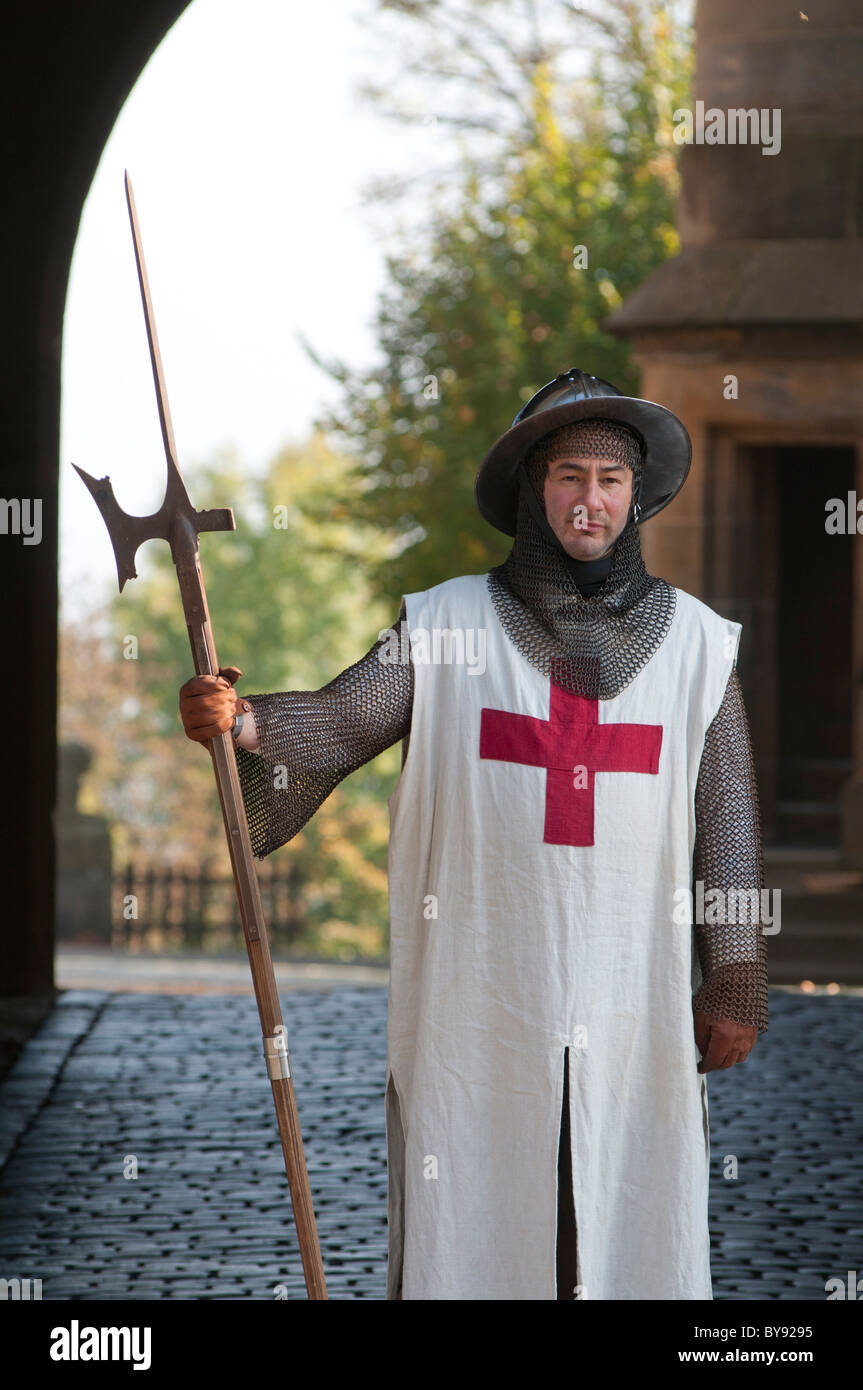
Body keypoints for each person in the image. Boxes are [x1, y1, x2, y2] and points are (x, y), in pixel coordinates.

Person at [179, 368, 768, 1300]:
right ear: (536, 492)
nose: (591, 500)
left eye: (609, 481)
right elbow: (339, 723)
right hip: (483, 987)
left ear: (634, 496)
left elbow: (725, 816)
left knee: (622, 1203)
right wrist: (240, 721)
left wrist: (732, 967)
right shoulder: (448, 624)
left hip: (632, 992)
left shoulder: (696, 646)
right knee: (481, 1193)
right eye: (569, 476)